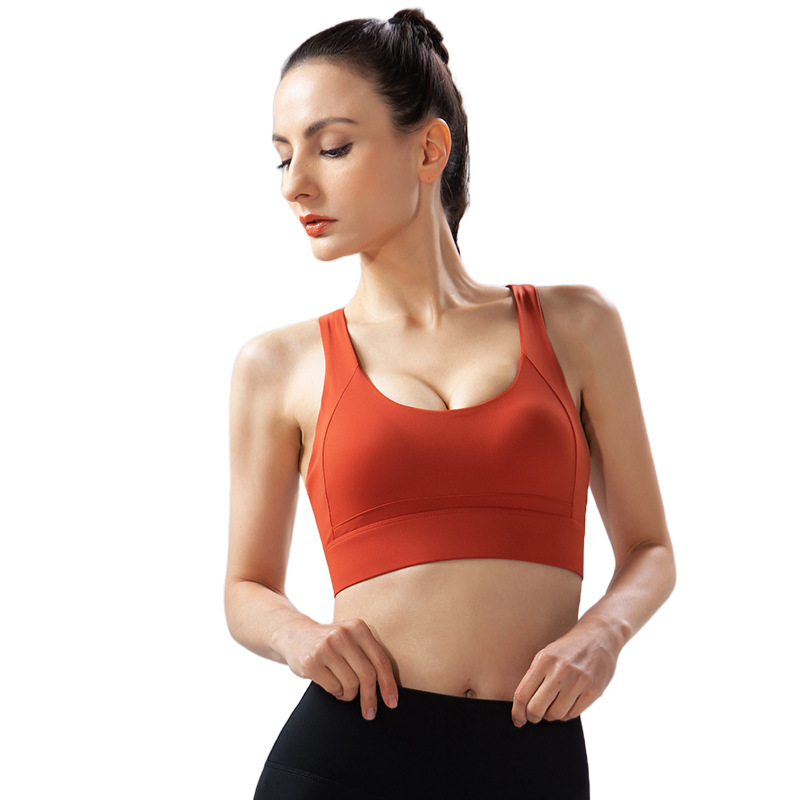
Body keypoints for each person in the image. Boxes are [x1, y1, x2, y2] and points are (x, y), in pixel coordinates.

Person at [224, 8, 677, 799]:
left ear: (430, 149)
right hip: (346, 757)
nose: (296, 184)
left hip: (531, 757)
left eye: (332, 148)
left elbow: (650, 549)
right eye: (283, 156)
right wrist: (300, 638)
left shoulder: (577, 326)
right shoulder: (278, 364)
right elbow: (246, 587)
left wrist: (604, 633)